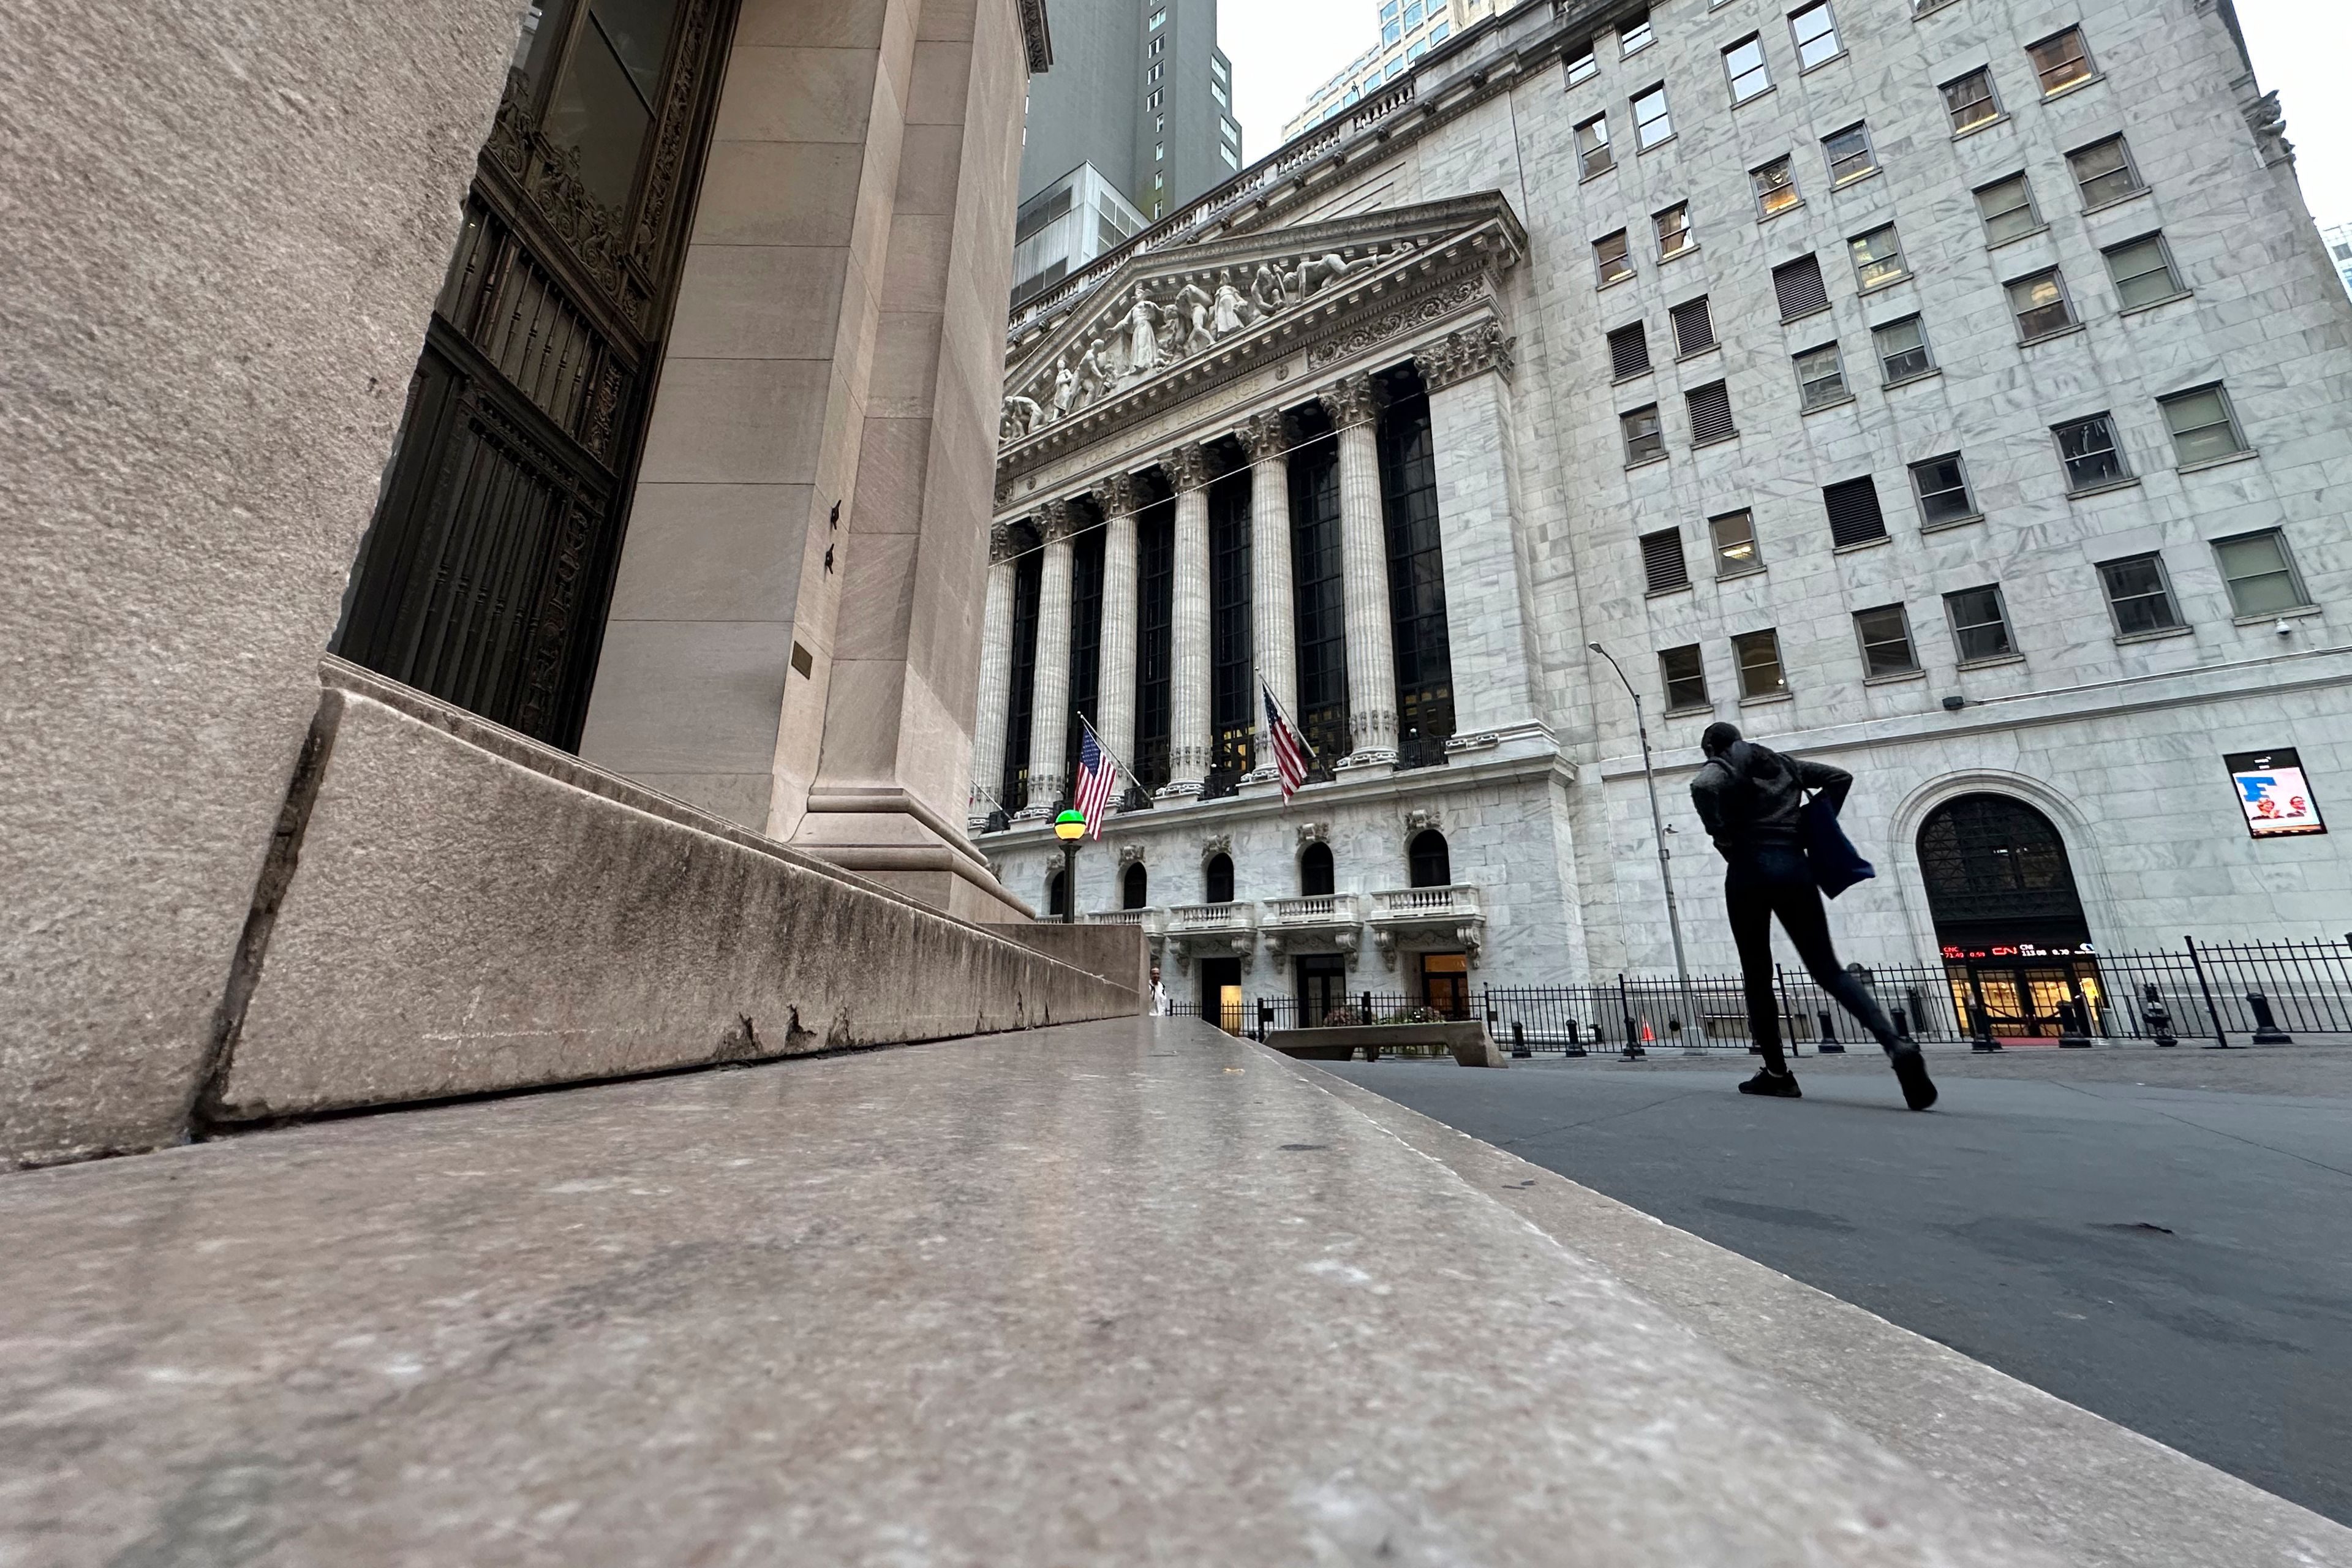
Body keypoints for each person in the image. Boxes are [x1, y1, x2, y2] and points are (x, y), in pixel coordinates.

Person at [1689, 722, 1937, 1110]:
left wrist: (1720, 833)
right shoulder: (1785, 765)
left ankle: (1778, 1075)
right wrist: (1809, 821)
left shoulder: (1722, 766)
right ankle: (1896, 1044)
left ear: (1711, 746)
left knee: (1757, 975)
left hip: (1748, 867)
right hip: (1793, 865)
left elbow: (1703, 787)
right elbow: (1840, 778)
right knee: (1827, 968)